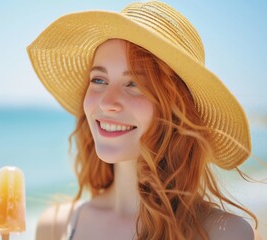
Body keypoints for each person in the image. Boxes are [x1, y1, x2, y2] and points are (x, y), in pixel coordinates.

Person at [27, 1, 261, 239]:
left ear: (175, 108)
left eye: (134, 84)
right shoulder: (55, 227)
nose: (107, 102)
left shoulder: (224, 233)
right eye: (99, 80)